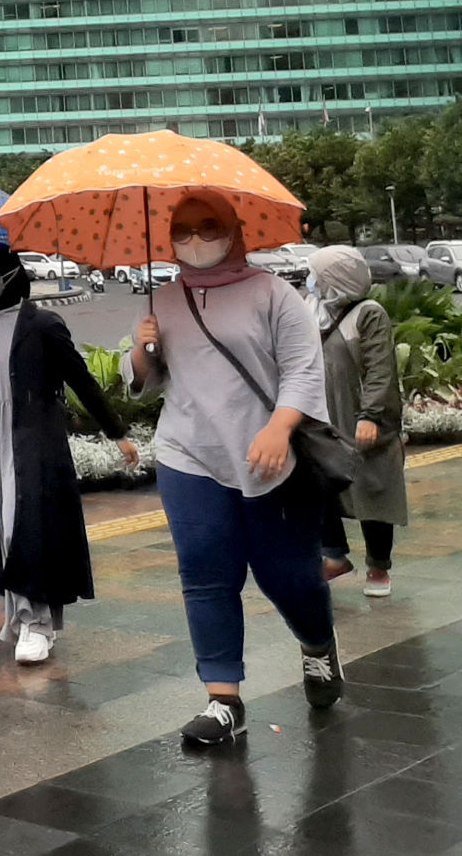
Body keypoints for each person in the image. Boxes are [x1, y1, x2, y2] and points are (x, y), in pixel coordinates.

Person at [127, 192, 337, 748]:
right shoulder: (163, 299)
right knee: (205, 574)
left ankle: (317, 646)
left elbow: (302, 368)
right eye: (184, 230)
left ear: (235, 231)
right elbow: (150, 383)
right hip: (187, 456)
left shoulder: (273, 293)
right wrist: (142, 352)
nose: (196, 240)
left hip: (271, 459)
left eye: (208, 226)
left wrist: (279, 427)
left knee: (287, 576)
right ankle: (224, 700)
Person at [0, 243, 136, 666]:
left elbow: (82, 381)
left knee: (23, 531)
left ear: (9, 273)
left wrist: (118, 434)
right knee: (2, 534)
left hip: (33, 444)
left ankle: (37, 624)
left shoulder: (42, 325)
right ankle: (24, 620)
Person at [306, 245, 406, 597]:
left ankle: (379, 566)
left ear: (335, 279)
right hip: (323, 417)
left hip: (362, 416)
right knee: (317, 486)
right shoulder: (312, 310)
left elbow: (381, 369)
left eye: (317, 275)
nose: (311, 281)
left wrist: (372, 416)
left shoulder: (369, 314)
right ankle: (334, 557)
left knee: (373, 489)